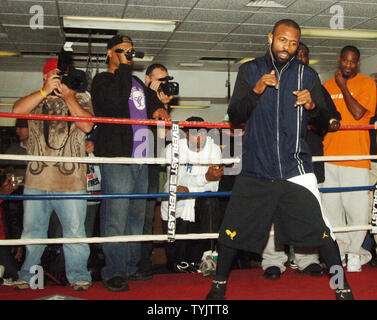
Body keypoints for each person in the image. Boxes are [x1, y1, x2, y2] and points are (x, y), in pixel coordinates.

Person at [206, 19, 354, 300]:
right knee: (231, 230)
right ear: (270, 37)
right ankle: (218, 286)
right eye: (282, 40)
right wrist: (257, 90)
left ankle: (342, 287)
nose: (287, 47)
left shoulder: (307, 75)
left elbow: (327, 121)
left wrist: (312, 106)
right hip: (257, 166)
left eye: (293, 42)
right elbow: (235, 116)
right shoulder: (249, 70)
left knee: (323, 232)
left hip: (295, 167)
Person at [91, 34, 170, 292]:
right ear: (109, 53)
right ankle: (112, 270)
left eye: (130, 51)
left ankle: (130, 266)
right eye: (122, 51)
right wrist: (124, 69)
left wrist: (158, 107)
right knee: (116, 215)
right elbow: (114, 103)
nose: (128, 54)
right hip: (117, 156)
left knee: (136, 216)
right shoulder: (103, 80)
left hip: (141, 156)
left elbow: (150, 98)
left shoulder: (136, 81)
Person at [261, 42, 342, 280]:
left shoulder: (314, 82)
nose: (302, 59)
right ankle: (273, 261)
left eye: (305, 56)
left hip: (306, 156)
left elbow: (331, 116)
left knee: (308, 211)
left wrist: (323, 117)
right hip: (275, 157)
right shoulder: (272, 79)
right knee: (274, 210)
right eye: (298, 55)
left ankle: (308, 259)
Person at [12, 57, 94, 291]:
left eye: (62, 75)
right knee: (32, 231)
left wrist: (69, 97)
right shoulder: (36, 98)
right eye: (55, 75)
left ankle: (79, 276)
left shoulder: (81, 98)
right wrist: (44, 91)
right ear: (45, 76)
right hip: (37, 179)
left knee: (75, 232)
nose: (59, 80)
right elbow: (16, 110)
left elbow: (88, 126)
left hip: (71, 181)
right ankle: (27, 275)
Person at [322, 46, 377, 272]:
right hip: (329, 157)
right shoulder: (325, 86)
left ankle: (356, 253)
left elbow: (357, 114)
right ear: (339, 59)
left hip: (356, 157)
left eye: (353, 62)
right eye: (345, 60)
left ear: (358, 63)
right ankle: (341, 251)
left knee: (357, 211)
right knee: (332, 210)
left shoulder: (368, 84)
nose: (348, 65)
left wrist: (343, 87)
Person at [160, 117, 223, 273]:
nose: (200, 138)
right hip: (177, 208)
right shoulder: (174, 149)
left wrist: (199, 183)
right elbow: (177, 183)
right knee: (177, 265)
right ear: (186, 135)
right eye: (195, 134)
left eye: (203, 133)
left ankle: (209, 255)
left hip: (200, 208)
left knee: (210, 200)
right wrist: (204, 178)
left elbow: (214, 185)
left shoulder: (214, 149)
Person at [130, 63, 174, 281]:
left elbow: (163, 135)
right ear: (148, 80)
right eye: (160, 81)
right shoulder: (137, 97)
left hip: (150, 165)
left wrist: (162, 103)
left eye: (167, 81)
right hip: (131, 162)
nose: (164, 85)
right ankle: (124, 262)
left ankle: (142, 262)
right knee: (126, 214)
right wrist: (152, 97)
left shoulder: (159, 104)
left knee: (146, 215)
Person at [0, 174, 21, 282]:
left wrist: (17, 243)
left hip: (2, 242)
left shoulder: (9, 198)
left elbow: (14, 219)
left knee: (13, 275)